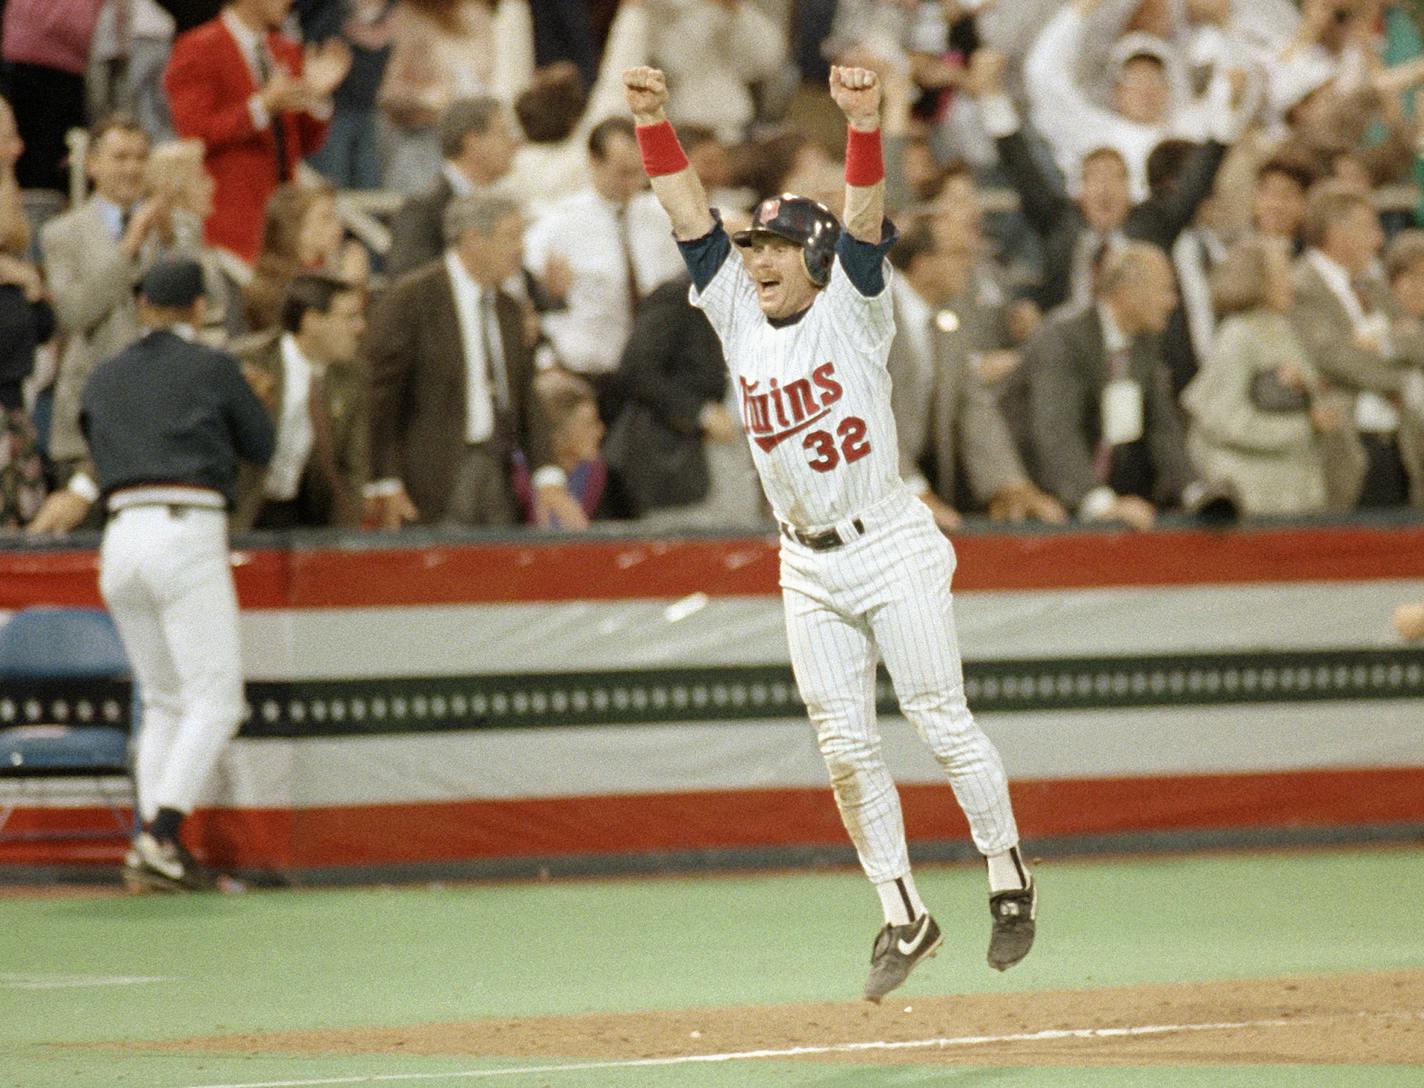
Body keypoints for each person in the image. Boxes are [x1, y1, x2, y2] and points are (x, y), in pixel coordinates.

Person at [623, 62, 1035, 1003]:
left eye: (775, 246)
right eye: (755, 244)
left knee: (937, 718)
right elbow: (689, 218)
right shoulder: (735, 313)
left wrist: (864, 124)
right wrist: (655, 123)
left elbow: (859, 216)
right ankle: (903, 914)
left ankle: (1007, 875)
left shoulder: (854, 307)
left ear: (813, 259)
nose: (758, 257)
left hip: (889, 539)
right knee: (843, 747)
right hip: (805, 562)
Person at [80, 256, 276, 891]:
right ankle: (160, 834)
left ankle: (151, 842)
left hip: (119, 537)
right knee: (216, 702)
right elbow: (263, 446)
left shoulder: (105, 375)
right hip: (183, 529)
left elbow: (97, 439)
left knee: (163, 701)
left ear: (143, 307)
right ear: (198, 307)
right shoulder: (215, 367)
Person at [364, 193, 584, 529]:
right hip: (428, 479)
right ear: (472, 240)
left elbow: (525, 396)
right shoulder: (412, 299)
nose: (520, 249)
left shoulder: (509, 309)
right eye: (511, 236)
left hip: (498, 471)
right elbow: (381, 398)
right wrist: (385, 479)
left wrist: (547, 475)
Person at [29, 114, 201, 536]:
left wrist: (172, 243)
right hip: (88, 414)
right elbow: (75, 312)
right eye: (120, 157)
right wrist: (129, 246)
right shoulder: (61, 233)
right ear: (93, 165)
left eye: (141, 157)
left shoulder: (179, 227)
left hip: (165, 412)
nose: (132, 168)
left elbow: (203, 299)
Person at [886, 220, 1065, 531]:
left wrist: (1011, 486)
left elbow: (975, 408)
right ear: (923, 264)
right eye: (958, 254)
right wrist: (912, 492)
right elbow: (867, 418)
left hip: (918, 487)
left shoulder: (950, 318)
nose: (970, 266)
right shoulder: (874, 316)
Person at [1024, 242, 1197, 531]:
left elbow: (1162, 428)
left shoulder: (1145, 342)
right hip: (1043, 500)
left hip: (1104, 500)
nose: (1172, 302)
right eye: (1164, 290)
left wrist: (1194, 492)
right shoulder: (1064, 336)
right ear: (1126, 292)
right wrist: (1100, 502)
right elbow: (1056, 432)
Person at [164, 0, 352, 262]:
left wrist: (316, 97)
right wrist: (261, 106)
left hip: (288, 226)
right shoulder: (197, 48)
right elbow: (194, 133)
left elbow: (305, 142)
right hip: (232, 222)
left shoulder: (286, 50)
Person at [1181, 239, 1340, 517]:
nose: (1290, 282)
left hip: (1296, 498)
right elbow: (1223, 420)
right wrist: (1304, 426)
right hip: (1253, 500)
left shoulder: (1282, 330)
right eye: (1281, 275)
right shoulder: (1237, 335)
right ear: (1258, 280)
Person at [233, 272, 369, 529]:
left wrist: (345, 541)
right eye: (350, 317)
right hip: (245, 511)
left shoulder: (353, 377)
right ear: (312, 321)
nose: (360, 326)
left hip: (305, 514)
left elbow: (352, 467)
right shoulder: (247, 364)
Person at [385, 95, 522, 277]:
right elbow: (407, 279)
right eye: (503, 133)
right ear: (472, 141)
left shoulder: (503, 202)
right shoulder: (423, 208)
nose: (514, 143)